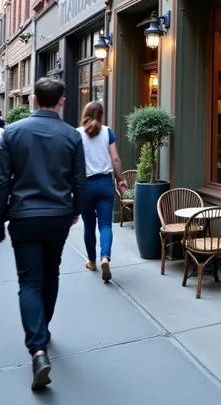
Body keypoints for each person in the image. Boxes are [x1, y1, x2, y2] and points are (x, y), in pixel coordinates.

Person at [0, 78, 86, 390]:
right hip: (58, 216)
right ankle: (43, 330)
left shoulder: (12, 132)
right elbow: (79, 180)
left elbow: (2, 181)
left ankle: (38, 348)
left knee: (29, 282)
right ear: (61, 101)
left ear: (34, 100)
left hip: (23, 216)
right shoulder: (71, 135)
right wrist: (76, 210)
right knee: (51, 273)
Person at [77, 101, 127, 283]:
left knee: (89, 226)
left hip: (85, 185)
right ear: (102, 115)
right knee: (105, 224)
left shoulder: (77, 133)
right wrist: (121, 179)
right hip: (105, 183)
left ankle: (91, 261)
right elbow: (115, 158)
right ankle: (105, 257)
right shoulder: (107, 132)